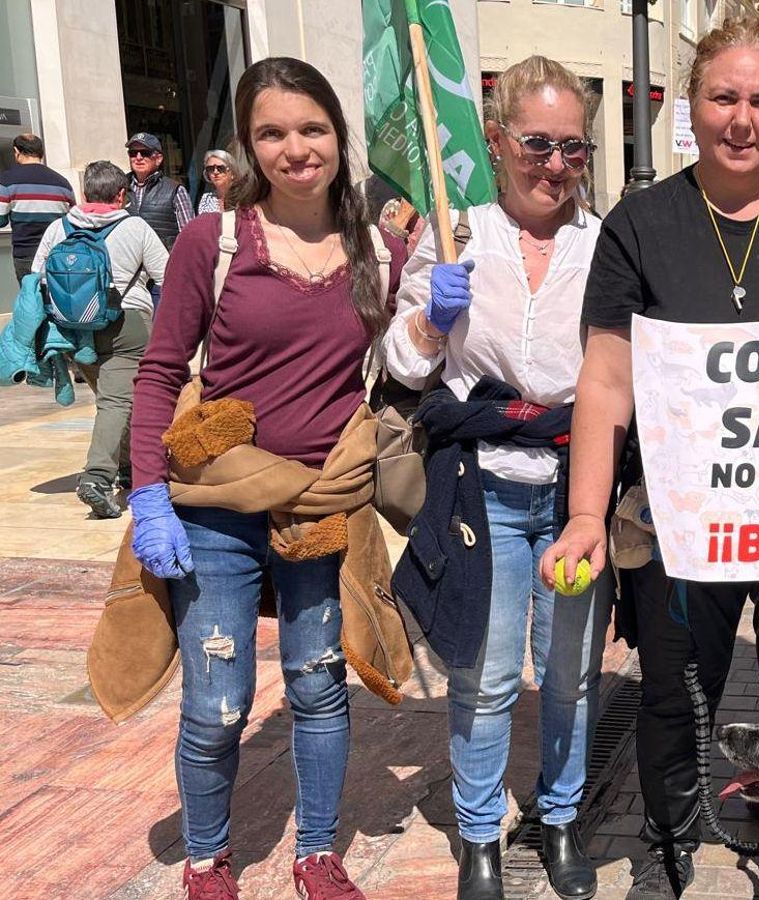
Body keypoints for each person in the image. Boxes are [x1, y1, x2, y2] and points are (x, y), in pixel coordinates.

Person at [540, 17, 759, 899]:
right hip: (677, 523)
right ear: (690, 107)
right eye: (724, 97)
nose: (742, 118)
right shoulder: (640, 222)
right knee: (672, 688)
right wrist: (589, 513)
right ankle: (666, 846)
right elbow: (606, 377)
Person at [126, 57, 406, 900]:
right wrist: (147, 496)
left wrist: (437, 322)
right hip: (217, 510)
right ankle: (209, 860)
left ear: (338, 135)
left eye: (312, 128)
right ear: (248, 146)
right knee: (218, 703)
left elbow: (409, 372)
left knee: (319, 685)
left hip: (320, 509)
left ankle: (318, 852)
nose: (296, 149)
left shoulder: (381, 251)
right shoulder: (211, 244)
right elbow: (158, 371)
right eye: (272, 133)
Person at [380, 55, 608, 900]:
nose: (555, 165)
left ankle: (558, 817)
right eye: (537, 143)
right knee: (482, 673)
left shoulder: (603, 242)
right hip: (483, 487)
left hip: (576, 487)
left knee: (573, 672)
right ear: (498, 136)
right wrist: (432, 320)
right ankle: (480, 833)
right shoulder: (456, 233)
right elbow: (399, 363)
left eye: (573, 149)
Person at [31, 160, 168, 519]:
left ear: (84, 193)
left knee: (112, 399)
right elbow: (167, 274)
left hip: (74, 330)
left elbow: (37, 278)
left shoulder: (59, 228)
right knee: (117, 402)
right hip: (127, 324)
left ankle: (128, 468)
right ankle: (97, 478)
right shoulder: (134, 226)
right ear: (121, 194)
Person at [0, 133, 74, 283]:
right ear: (41, 153)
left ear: (17, 152)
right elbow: (72, 220)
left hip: (26, 255)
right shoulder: (63, 183)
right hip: (58, 255)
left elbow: (0, 219)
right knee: (57, 300)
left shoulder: (6, 181)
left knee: (32, 302)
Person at [124, 131, 194, 250]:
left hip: (165, 264)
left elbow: (189, 235)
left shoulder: (175, 190)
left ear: (158, 158)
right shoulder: (120, 187)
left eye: (145, 153)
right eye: (133, 153)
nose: (138, 158)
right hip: (129, 264)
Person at [195, 149, 241, 215]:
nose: (215, 172)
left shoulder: (243, 197)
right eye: (210, 169)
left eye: (220, 168)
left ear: (232, 172)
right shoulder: (206, 199)